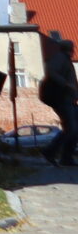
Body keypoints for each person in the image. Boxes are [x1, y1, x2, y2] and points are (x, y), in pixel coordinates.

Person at [40, 31, 77, 168]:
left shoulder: (64, 59)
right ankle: (50, 152)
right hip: (62, 99)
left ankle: (66, 157)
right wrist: (66, 84)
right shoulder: (60, 58)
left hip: (68, 99)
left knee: (74, 128)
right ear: (70, 49)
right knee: (71, 128)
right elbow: (51, 72)